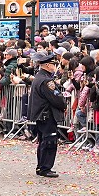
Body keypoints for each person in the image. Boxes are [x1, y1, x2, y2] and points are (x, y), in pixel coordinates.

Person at [29, 50, 66, 178]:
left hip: (41, 115)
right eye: (53, 64)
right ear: (47, 65)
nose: (54, 66)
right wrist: (63, 104)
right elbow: (56, 98)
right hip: (47, 115)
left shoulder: (39, 78)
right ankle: (45, 167)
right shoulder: (46, 81)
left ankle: (41, 166)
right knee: (49, 141)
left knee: (43, 141)